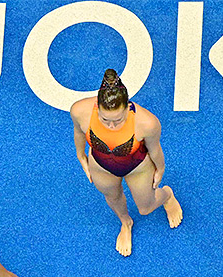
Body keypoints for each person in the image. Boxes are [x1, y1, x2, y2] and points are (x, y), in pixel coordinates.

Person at [70, 69, 183, 257]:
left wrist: (160, 169)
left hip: (137, 167)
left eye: (118, 120)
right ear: (97, 107)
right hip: (100, 166)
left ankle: (168, 196)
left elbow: (155, 150)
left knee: (145, 208)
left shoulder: (147, 123)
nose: (111, 126)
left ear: (128, 108)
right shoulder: (79, 111)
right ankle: (126, 222)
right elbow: (79, 132)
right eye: (105, 120)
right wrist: (80, 155)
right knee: (113, 197)